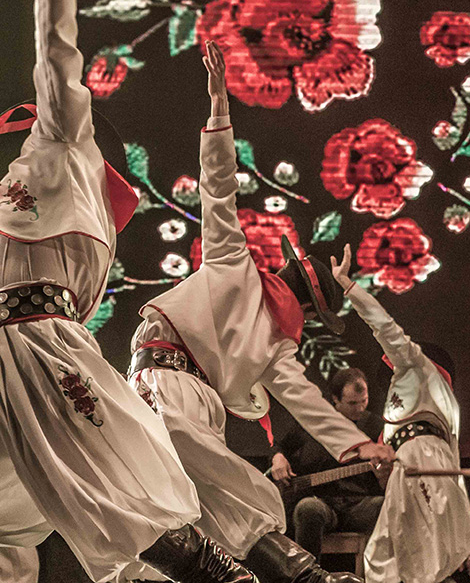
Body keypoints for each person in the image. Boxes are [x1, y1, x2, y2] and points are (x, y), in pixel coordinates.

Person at [0, 0, 261, 583]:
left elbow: (54, 49)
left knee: (124, 503)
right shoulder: (18, 195)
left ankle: (225, 575)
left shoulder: (59, 143)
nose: (22, 130)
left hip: (40, 350)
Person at [127, 39, 393, 583]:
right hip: (168, 393)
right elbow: (309, 403)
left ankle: (300, 580)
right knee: (211, 505)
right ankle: (303, 580)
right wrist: (358, 443)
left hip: (154, 388)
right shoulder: (274, 335)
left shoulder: (239, 273)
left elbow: (217, 189)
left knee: (186, 506)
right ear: (310, 308)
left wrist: (220, 110)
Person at [328, 244, 470, 583]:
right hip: (418, 468)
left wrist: (349, 286)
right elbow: (453, 466)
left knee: (409, 559)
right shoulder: (443, 410)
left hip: (420, 463)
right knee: (385, 557)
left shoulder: (415, 365)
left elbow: (385, 326)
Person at [270, 368, 386, 560]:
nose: (359, 408)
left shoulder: (374, 425)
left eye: (363, 401)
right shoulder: (317, 422)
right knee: (307, 508)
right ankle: (307, 578)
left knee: (387, 505)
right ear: (335, 399)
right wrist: (278, 457)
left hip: (358, 505)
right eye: (352, 403)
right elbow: (280, 445)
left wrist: (384, 472)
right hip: (322, 503)